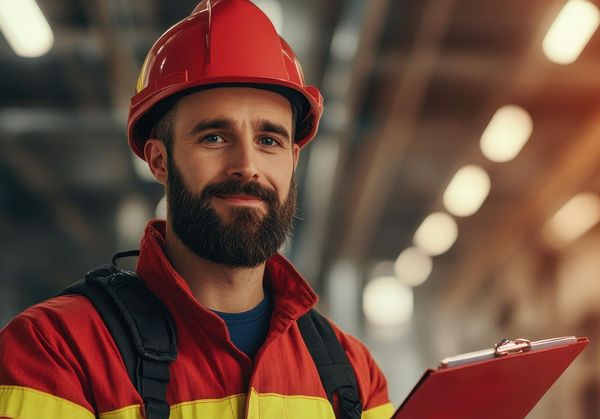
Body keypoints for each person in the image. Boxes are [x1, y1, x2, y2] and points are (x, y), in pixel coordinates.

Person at [0, 1, 394, 418]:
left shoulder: (354, 375)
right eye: (214, 137)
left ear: (293, 160)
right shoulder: (56, 351)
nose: (247, 165)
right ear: (159, 160)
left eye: (269, 140)